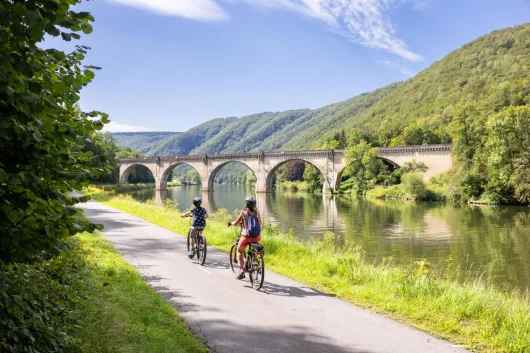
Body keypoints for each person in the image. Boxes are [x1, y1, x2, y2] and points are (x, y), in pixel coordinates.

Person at [228, 196, 262, 279]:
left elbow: (236, 223)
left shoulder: (243, 213)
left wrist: (231, 223)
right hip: (257, 237)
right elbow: (260, 223)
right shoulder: (257, 213)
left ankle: (241, 270)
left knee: (239, 251)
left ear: (246, 204)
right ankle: (253, 260)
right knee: (253, 249)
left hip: (246, 236)